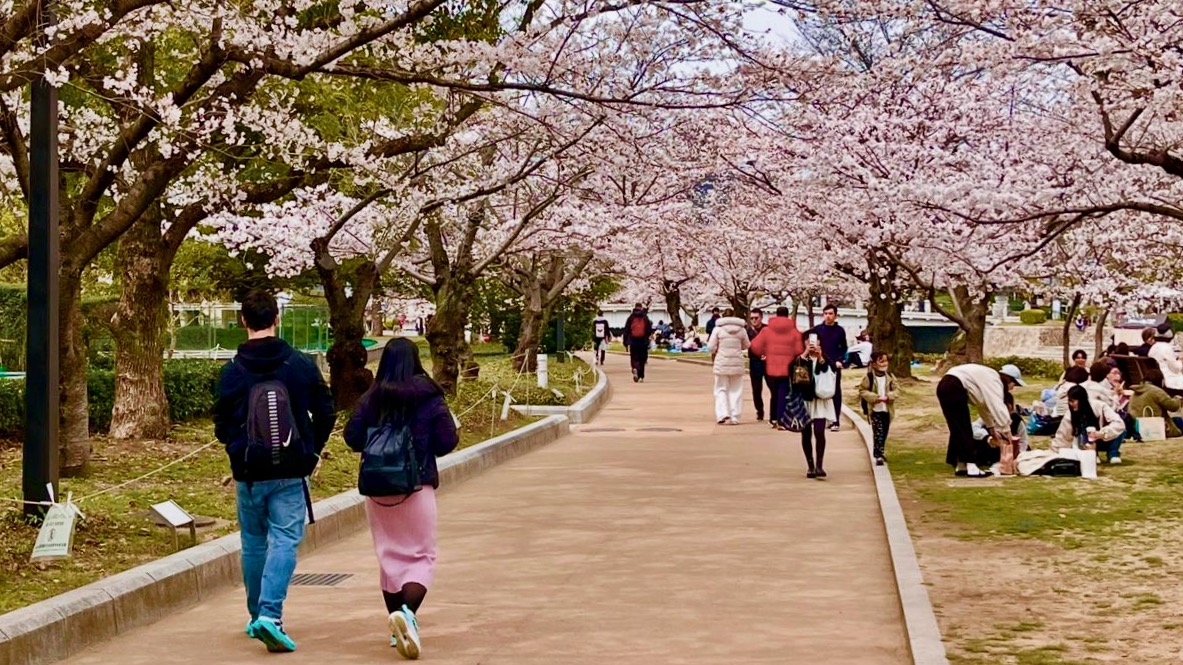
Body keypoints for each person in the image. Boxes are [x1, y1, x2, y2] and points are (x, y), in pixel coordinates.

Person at [214, 290, 336, 652]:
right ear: (277, 319)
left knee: (253, 542)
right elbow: (327, 411)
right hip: (290, 469)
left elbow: (221, 422)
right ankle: (271, 614)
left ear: (242, 321)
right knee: (284, 539)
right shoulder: (299, 363)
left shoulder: (232, 370)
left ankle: (256, 616)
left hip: (248, 471)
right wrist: (311, 452)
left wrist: (236, 450)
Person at [344, 338, 459, 659]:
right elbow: (447, 440)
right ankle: (407, 614)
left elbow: (352, 438)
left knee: (389, 558)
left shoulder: (372, 397)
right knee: (422, 556)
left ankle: (397, 631)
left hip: (378, 490)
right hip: (416, 487)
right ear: (415, 360)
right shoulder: (429, 395)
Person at [936, 363, 1018, 478]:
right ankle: (971, 466)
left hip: (946, 385)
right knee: (964, 428)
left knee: (958, 428)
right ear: (1009, 380)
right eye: (1014, 384)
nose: (1012, 388)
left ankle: (961, 464)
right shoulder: (994, 380)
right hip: (954, 385)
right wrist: (1006, 430)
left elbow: (983, 406)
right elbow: (997, 406)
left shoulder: (988, 378)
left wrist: (991, 429)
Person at [749, 306, 805, 430]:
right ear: (787, 315)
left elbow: (754, 346)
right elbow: (799, 350)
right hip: (787, 367)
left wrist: (764, 354)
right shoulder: (794, 331)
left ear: (776, 314)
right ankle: (781, 419)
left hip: (771, 365)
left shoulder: (767, 331)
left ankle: (773, 418)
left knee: (774, 392)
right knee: (782, 392)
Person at [794, 339, 836, 478]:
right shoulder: (801, 359)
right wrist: (805, 353)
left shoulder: (824, 359)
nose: (812, 346)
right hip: (806, 400)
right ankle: (810, 466)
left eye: (816, 343)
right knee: (806, 433)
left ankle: (819, 465)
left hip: (820, 401)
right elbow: (796, 375)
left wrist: (820, 357)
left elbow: (830, 370)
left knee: (819, 432)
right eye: (809, 343)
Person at [806, 304, 847, 432]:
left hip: (834, 364)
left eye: (830, 313)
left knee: (835, 392)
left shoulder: (840, 330)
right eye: (825, 313)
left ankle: (835, 421)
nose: (828, 316)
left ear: (835, 315)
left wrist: (840, 360)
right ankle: (817, 418)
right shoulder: (817, 329)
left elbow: (844, 347)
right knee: (817, 389)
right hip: (819, 362)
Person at [1051, 385, 1125, 455]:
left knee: (1121, 430)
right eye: (1069, 401)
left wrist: (1102, 433)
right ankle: (1091, 453)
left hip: (1105, 438)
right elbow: (1063, 435)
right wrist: (1054, 451)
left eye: (1073, 401)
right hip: (1086, 442)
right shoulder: (1070, 415)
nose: (1071, 404)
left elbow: (1119, 423)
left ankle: (1113, 453)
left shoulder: (1100, 406)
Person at [707, 308, 750, 424]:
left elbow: (711, 347)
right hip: (737, 363)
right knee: (736, 390)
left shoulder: (718, 329)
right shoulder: (742, 330)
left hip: (722, 362)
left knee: (720, 389)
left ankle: (722, 414)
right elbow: (746, 345)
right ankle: (735, 416)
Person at [859, 351, 899, 466]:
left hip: (886, 409)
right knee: (878, 432)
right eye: (881, 361)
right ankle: (878, 455)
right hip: (875, 410)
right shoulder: (869, 377)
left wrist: (889, 396)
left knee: (884, 431)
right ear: (874, 364)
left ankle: (881, 450)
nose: (884, 364)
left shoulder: (890, 377)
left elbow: (897, 390)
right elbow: (862, 391)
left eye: (886, 361)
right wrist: (874, 398)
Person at [1129, 368, 1183, 438]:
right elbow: (1173, 406)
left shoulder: (1136, 391)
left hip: (1139, 428)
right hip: (1157, 428)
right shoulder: (1156, 391)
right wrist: (1177, 399)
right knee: (1178, 420)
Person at [746, 308, 770, 420]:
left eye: (756, 318)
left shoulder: (767, 329)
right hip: (754, 361)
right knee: (756, 389)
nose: (754, 320)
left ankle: (774, 411)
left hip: (768, 362)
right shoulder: (747, 331)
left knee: (773, 387)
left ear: (761, 318)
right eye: (752, 318)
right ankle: (759, 411)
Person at [622, 303, 653, 383]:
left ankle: (635, 368)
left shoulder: (631, 317)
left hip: (633, 341)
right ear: (641, 308)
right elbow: (649, 330)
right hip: (643, 341)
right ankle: (641, 376)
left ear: (635, 307)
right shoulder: (645, 317)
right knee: (642, 359)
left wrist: (625, 342)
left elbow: (626, 330)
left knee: (634, 357)